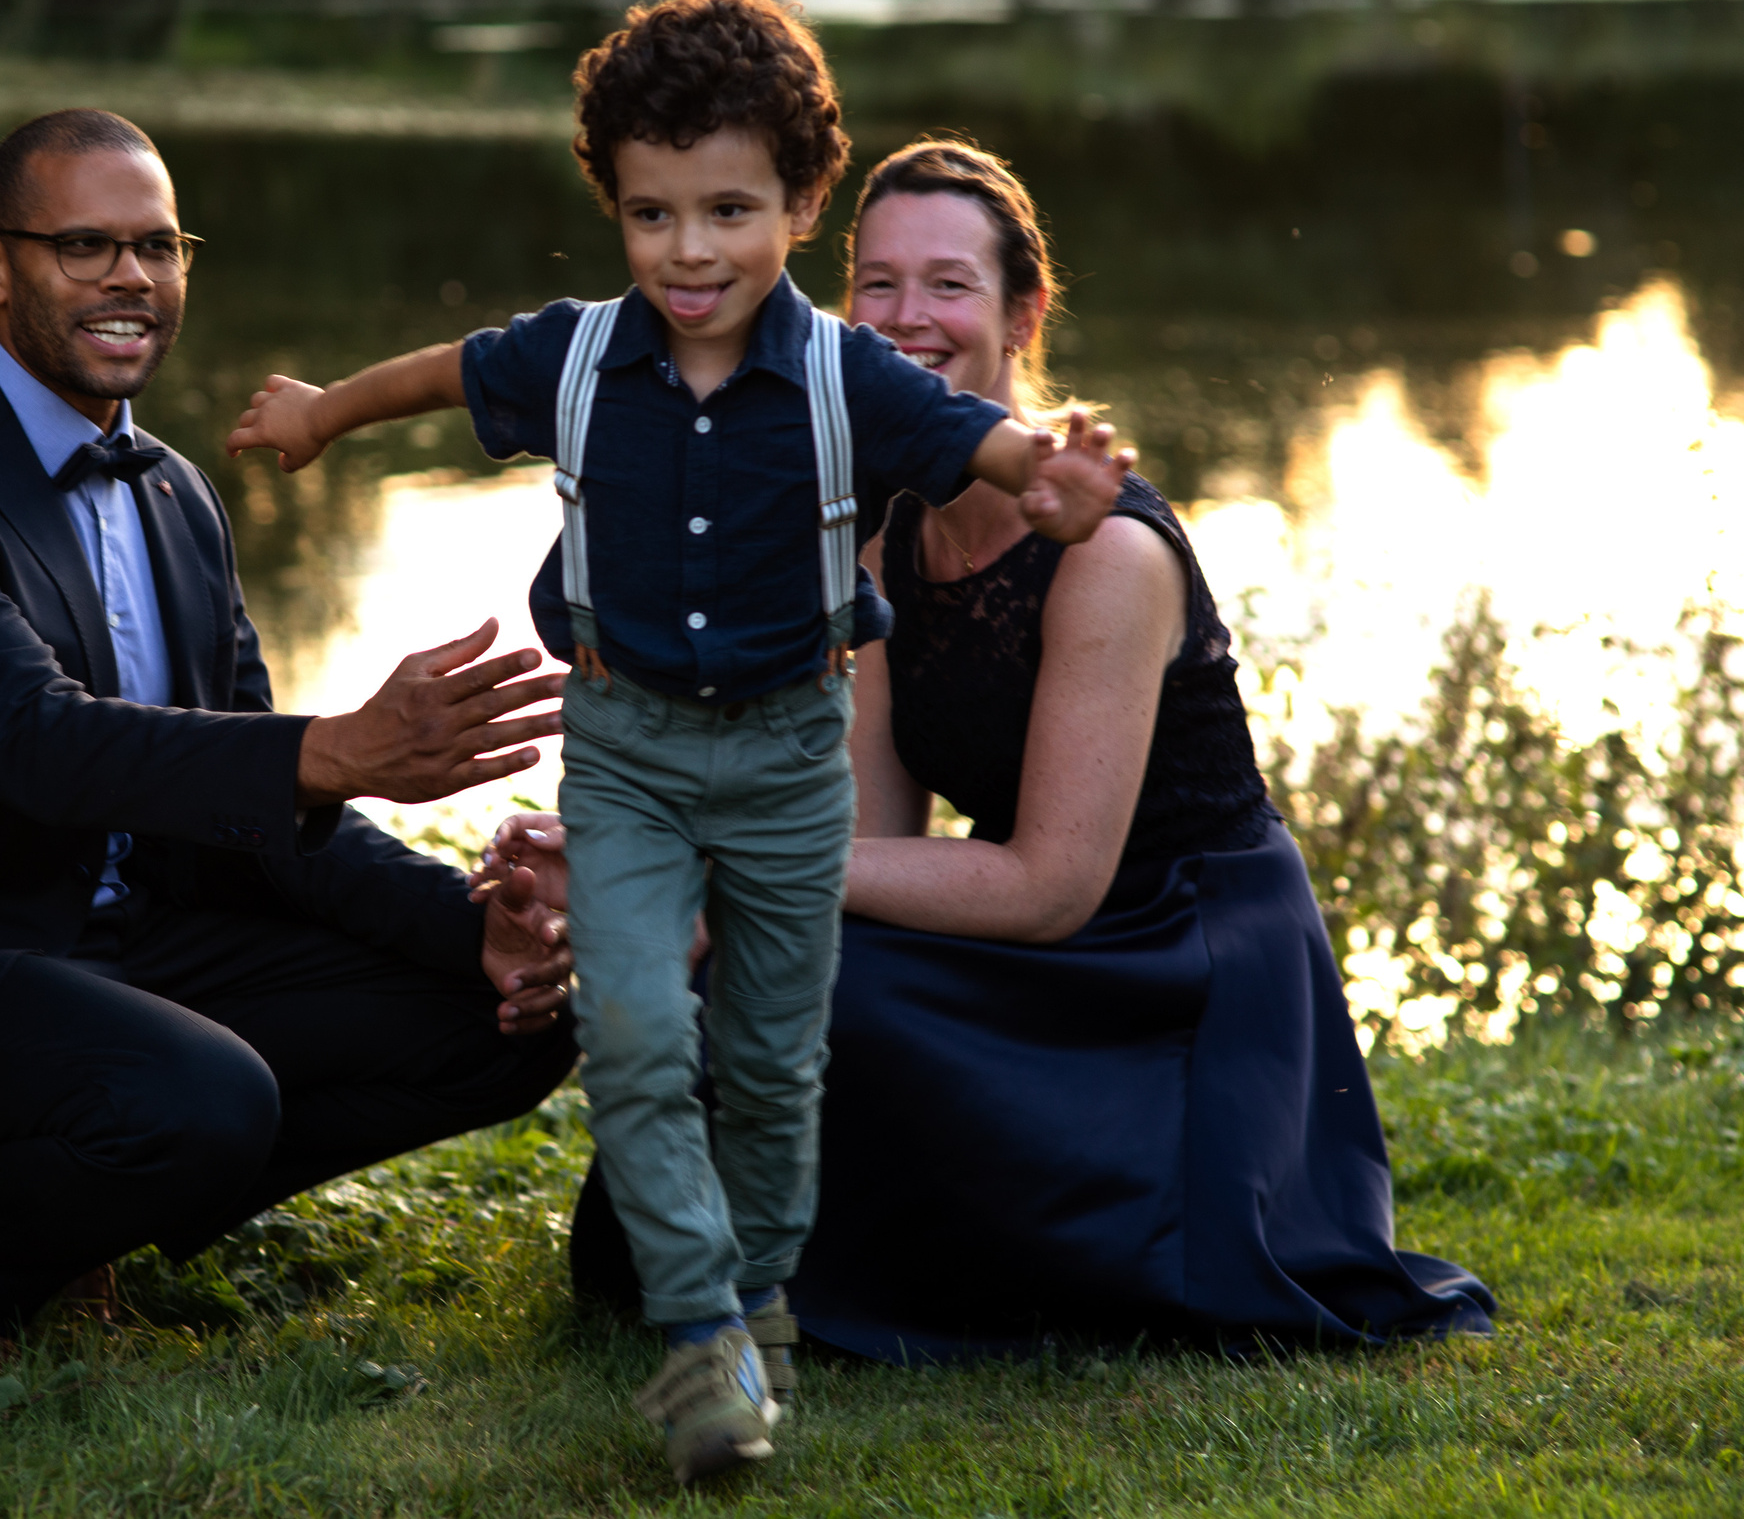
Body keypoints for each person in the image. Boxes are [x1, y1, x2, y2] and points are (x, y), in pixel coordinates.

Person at [225, 0, 1131, 1483]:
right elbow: (449, 369)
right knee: (638, 1031)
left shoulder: (848, 374)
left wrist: (1059, 477)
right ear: (613, 204)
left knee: (769, 1062)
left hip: (788, 759)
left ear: (801, 205)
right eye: (652, 214)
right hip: (629, 749)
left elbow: (986, 443)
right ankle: (702, 1332)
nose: (689, 251)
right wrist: (326, 413)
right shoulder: (578, 356)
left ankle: (758, 1296)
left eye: (728, 211)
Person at [530, 138, 1495, 1359]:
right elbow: (865, 836)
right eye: (877, 283)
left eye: (948, 284)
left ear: (1022, 313)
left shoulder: (1109, 554)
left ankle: (987, 1256)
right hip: (1026, 934)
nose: (904, 317)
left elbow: (1051, 884)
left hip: (1180, 956)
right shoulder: (877, 533)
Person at [0, 108, 583, 1373]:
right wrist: (334, 748)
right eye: (85, 246)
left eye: (159, 247)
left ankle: (77, 1220)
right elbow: (36, 742)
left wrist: (473, 928)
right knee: (200, 1094)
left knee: (512, 1019)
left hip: (128, 941)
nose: (131, 276)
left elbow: (259, 810)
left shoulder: (177, 493)